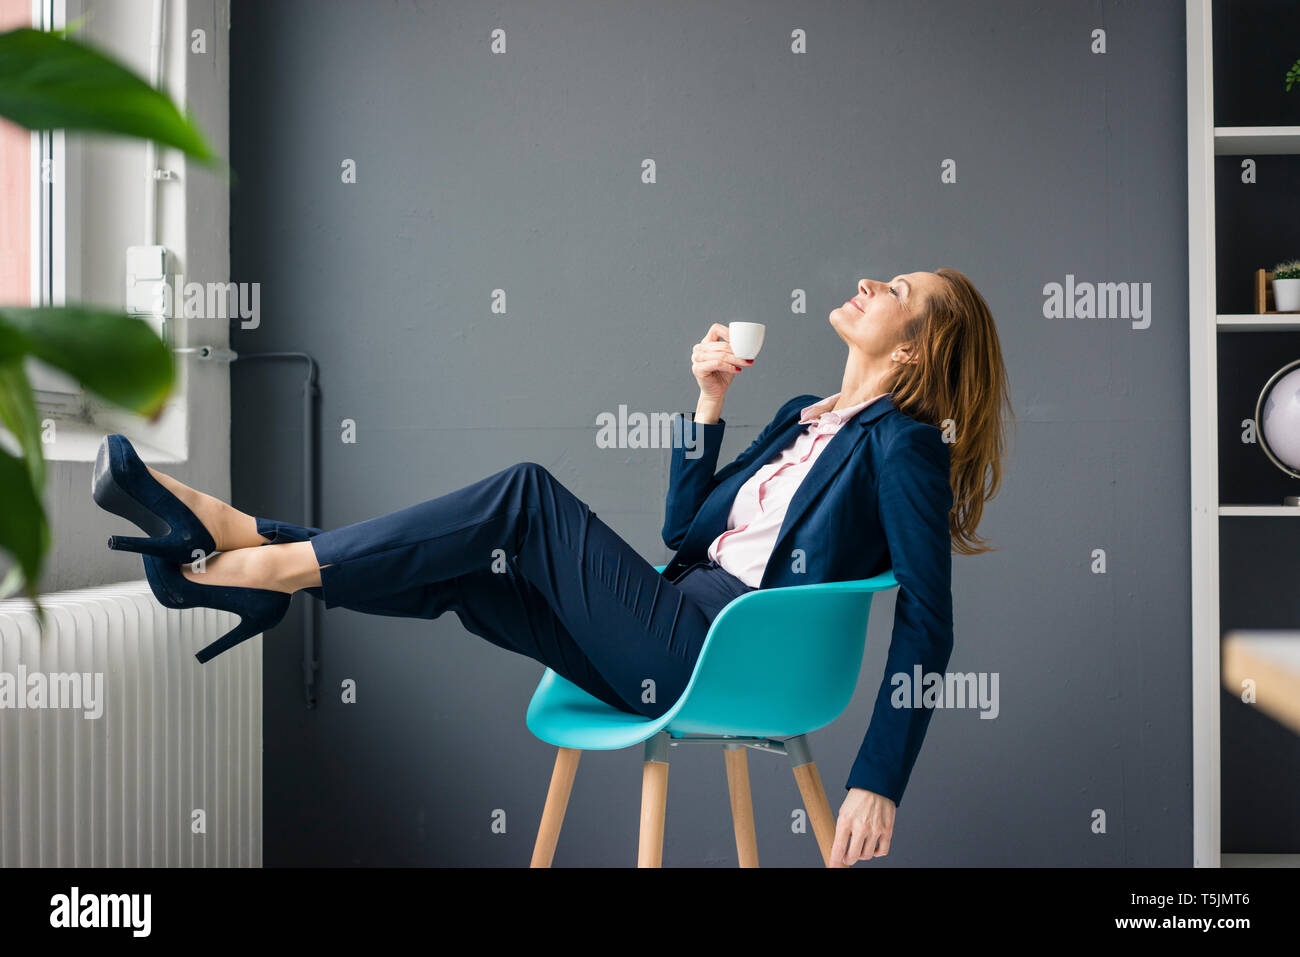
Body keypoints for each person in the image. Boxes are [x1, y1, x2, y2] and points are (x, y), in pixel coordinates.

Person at [92, 267, 1011, 867]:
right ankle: (245, 548)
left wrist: (879, 774)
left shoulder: (905, 448)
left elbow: (928, 620)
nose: (866, 280)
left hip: (704, 653)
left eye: (893, 286)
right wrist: (708, 402)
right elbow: (683, 525)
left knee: (524, 497)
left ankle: (249, 554)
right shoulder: (807, 414)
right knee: (465, 572)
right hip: (664, 614)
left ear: (917, 344)